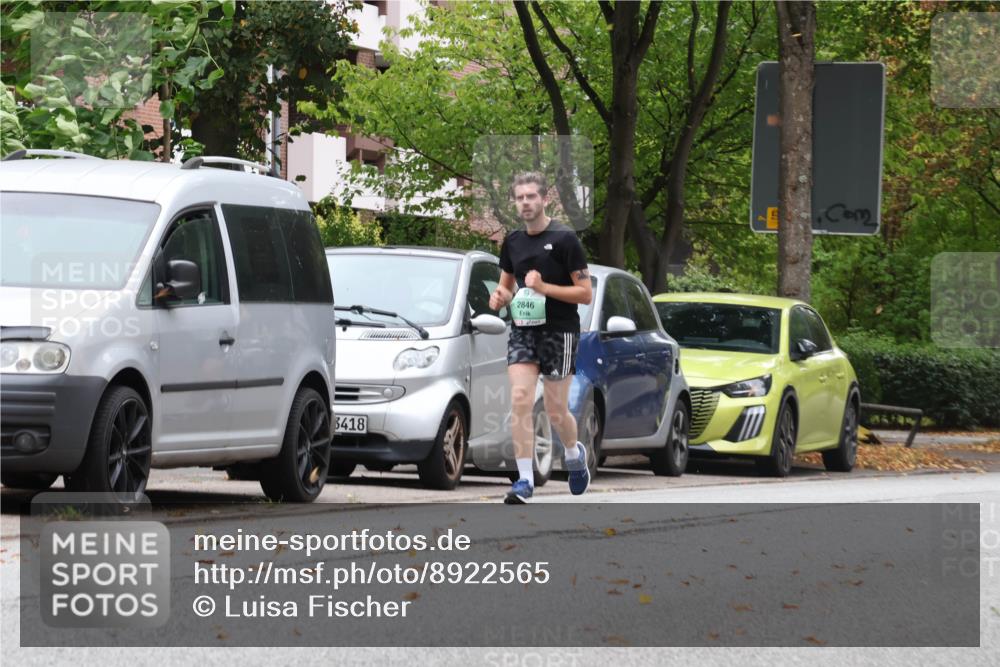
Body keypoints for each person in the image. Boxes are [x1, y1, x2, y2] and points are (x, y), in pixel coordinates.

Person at [489, 172, 593, 504]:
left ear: (544, 199)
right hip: (523, 329)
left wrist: (544, 287)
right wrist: (501, 297)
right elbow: (506, 285)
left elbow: (585, 294)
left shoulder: (565, 239)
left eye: (531, 196)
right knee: (520, 398)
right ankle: (524, 480)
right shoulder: (514, 240)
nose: (525, 203)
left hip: (559, 331)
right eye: (520, 198)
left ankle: (575, 455)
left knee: (555, 409)